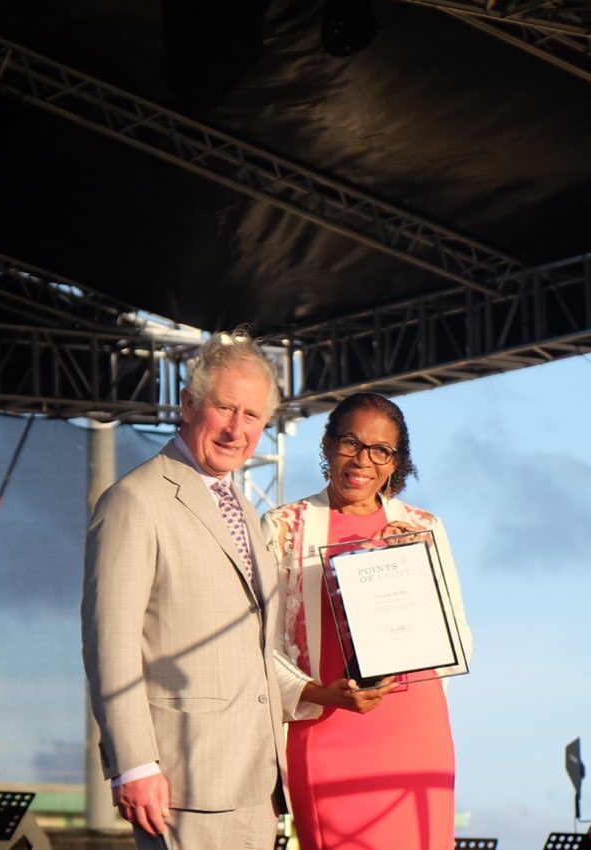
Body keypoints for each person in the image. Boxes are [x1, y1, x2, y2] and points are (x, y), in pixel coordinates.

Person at [81, 328, 312, 850]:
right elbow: (109, 644)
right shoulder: (134, 501)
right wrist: (135, 764)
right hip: (182, 784)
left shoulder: (247, 513)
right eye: (225, 408)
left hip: (257, 782)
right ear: (187, 404)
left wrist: (319, 695)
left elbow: (255, 651)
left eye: (252, 416)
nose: (237, 429)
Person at [263, 392, 472, 850]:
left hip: (417, 733)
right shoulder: (283, 527)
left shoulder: (423, 527)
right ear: (327, 443)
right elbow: (259, 648)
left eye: (381, 450)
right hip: (326, 728)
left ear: (397, 461)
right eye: (350, 443)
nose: (363, 461)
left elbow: (459, 637)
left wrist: (415, 574)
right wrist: (318, 693)